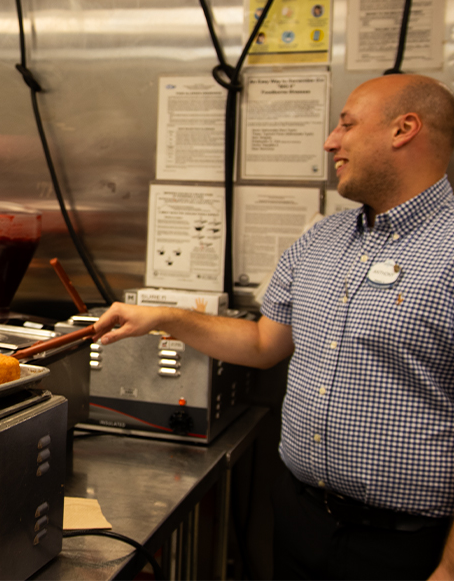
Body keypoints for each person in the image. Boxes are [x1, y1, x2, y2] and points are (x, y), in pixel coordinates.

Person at [94, 73, 454, 580]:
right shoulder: (322, 239)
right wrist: (166, 318)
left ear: (404, 129)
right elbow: (265, 343)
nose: (331, 141)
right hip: (299, 519)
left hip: (407, 547)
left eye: (347, 125)